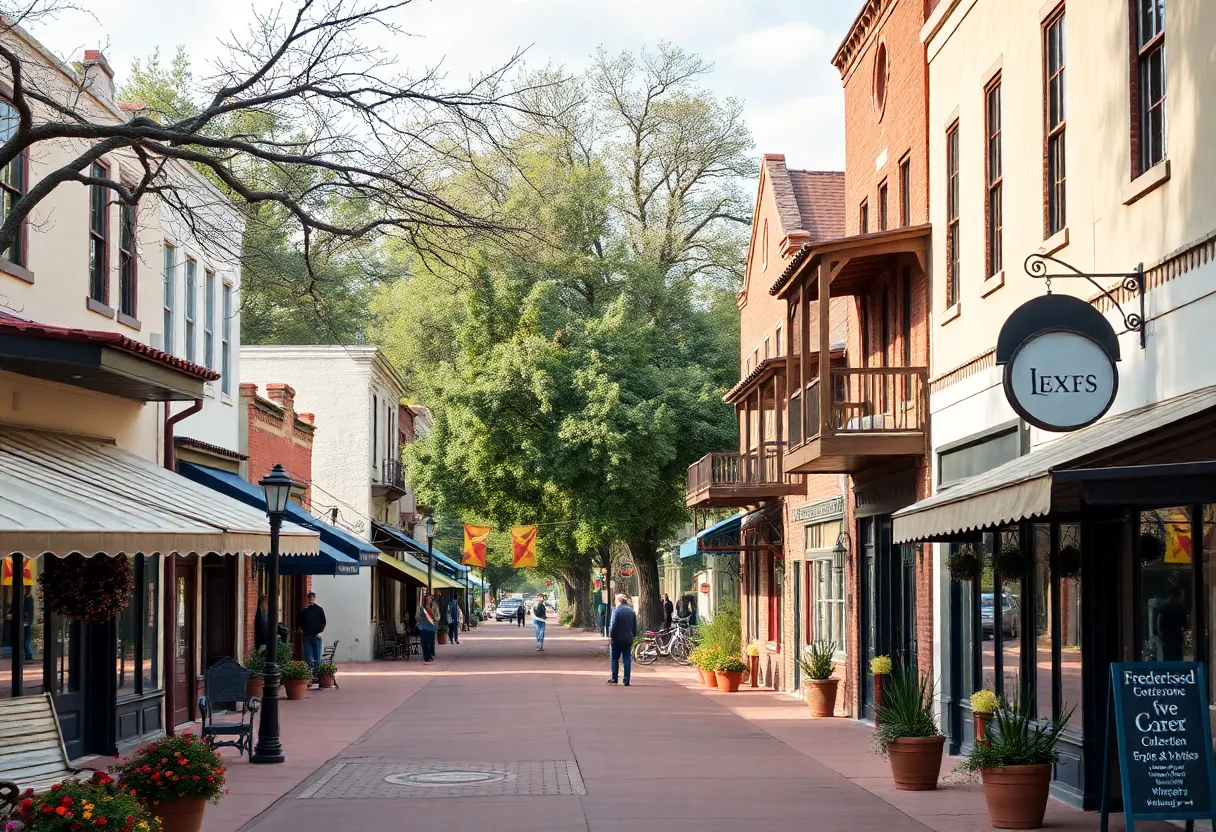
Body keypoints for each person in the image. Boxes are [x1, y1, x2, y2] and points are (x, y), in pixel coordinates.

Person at [607, 593, 637, 686]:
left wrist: (611, 636)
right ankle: (626, 679)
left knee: (614, 658)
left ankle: (614, 678)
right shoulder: (631, 611)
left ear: (619, 601)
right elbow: (634, 626)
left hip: (617, 639)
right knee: (627, 659)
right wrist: (633, 636)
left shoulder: (617, 610)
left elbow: (613, 624)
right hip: (628, 638)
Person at [1156, 585, 1189, 661]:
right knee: (1177, 660)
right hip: (1177, 638)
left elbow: (1159, 620)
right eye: (1182, 595)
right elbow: (1186, 624)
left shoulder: (1164, 606)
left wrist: (1160, 632)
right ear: (1179, 595)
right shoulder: (1181, 607)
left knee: (1167, 659)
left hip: (1166, 638)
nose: (1183, 597)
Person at [298, 592, 326, 671]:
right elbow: (300, 622)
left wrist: (319, 632)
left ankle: (316, 673)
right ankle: (310, 673)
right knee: (308, 657)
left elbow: (323, 622)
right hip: (306, 635)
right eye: (309, 598)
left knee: (317, 657)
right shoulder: (305, 611)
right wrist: (303, 631)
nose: (310, 600)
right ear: (307, 599)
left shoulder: (319, 609)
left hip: (315, 635)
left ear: (314, 598)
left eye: (312, 598)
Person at [419, 593, 438, 662]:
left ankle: (428, 655)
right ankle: (427, 656)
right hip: (426, 628)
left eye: (430, 599)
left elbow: (418, 617)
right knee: (427, 643)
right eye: (428, 600)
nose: (429, 601)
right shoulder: (424, 609)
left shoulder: (424, 608)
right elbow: (431, 617)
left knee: (428, 643)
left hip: (427, 628)